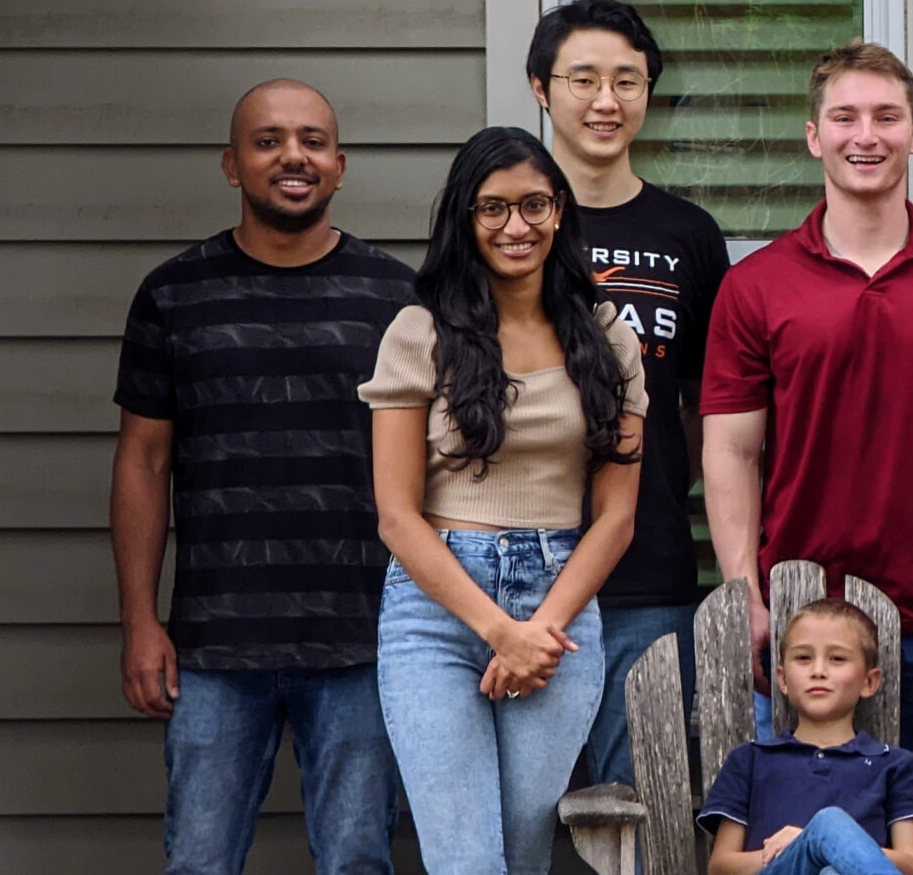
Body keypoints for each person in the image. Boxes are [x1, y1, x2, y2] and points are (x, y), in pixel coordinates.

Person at [112, 78, 412, 875]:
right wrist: (140, 620)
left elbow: (435, 468)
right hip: (213, 644)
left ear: (340, 166)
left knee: (357, 860)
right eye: (269, 140)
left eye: (312, 141)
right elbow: (142, 461)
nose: (293, 156)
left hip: (363, 640)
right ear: (231, 164)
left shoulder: (398, 297)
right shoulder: (174, 295)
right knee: (199, 862)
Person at [702, 40, 913, 769]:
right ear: (814, 137)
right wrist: (745, 595)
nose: (866, 136)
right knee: (796, 831)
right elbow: (733, 450)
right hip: (801, 621)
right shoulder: (757, 286)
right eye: (844, 118)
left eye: (887, 117)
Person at [359, 126, 646, 875]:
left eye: (533, 205)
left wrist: (539, 630)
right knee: (467, 861)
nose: (515, 226)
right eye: (493, 208)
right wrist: (497, 629)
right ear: (465, 218)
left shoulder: (607, 333)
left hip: (560, 605)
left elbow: (617, 514)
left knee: (520, 851)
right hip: (436, 613)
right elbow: (395, 513)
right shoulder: (419, 331)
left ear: (559, 214)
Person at [526, 0, 730, 788]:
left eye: (628, 81)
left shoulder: (688, 234)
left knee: (645, 809)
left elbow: (706, 403)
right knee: (518, 821)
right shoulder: (506, 222)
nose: (606, 101)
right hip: (514, 570)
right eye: (583, 79)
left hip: (648, 570)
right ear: (541, 87)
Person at [699, 599, 913, 875]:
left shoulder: (894, 765)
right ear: (783, 679)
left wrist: (825, 844)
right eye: (803, 658)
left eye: (837, 659)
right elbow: (720, 867)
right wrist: (807, 845)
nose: (818, 670)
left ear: (869, 681)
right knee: (828, 826)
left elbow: (912, 865)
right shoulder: (750, 760)